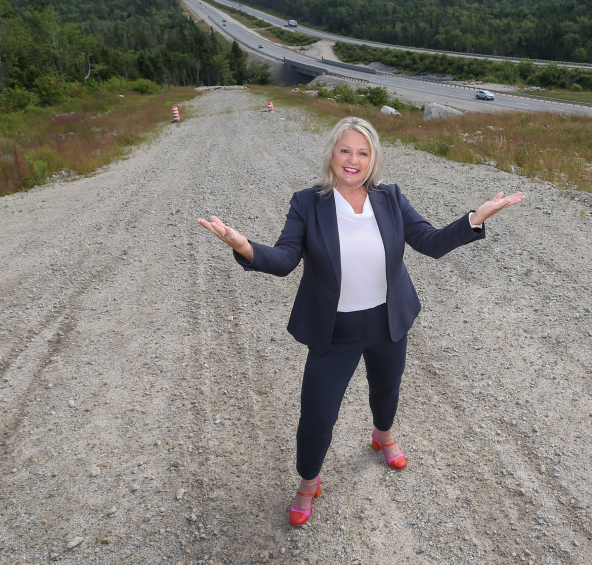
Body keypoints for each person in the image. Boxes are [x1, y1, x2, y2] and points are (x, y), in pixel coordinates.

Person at [196, 116, 525, 527]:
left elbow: (430, 242)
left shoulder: (391, 199)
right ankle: (307, 482)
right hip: (335, 331)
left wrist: (476, 217)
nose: (353, 160)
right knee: (317, 414)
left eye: (363, 152)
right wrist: (243, 245)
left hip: (388, 322)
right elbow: (283, 261)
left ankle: (383, 435)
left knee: (386, 389)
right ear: (332, 155)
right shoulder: (307, 203)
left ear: (373, 159)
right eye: (345, 150)